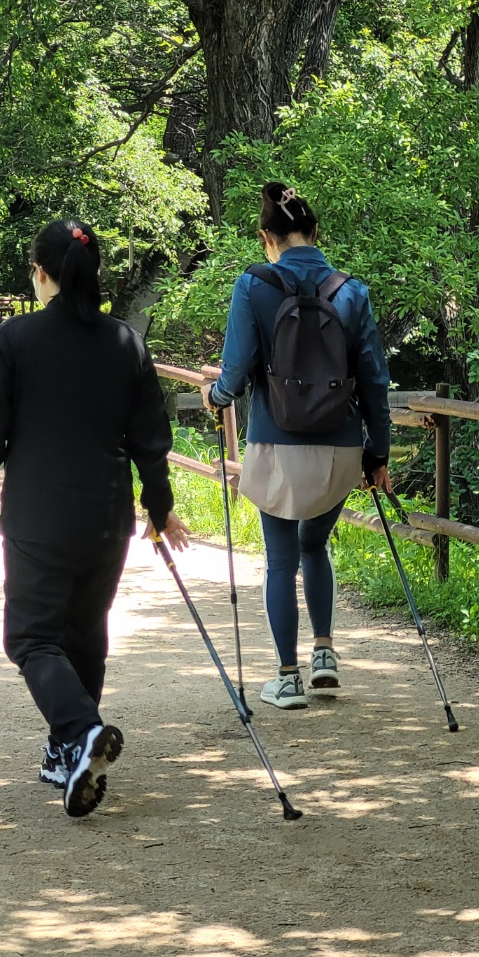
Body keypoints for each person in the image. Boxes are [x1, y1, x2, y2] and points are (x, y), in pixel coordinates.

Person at [0, 219, 190, 819]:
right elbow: (151, 439)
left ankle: (81, 732)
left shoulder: (16, 338)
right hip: (106, 517)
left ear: (41, 273)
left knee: (31, 638)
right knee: (85, 632)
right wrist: (159, 508)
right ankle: (66, 752)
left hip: (39, 517)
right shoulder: (125, 341)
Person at [203, 181, 392, 710]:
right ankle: (324, 652)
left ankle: (287, 678)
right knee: (316, 546)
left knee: (281, 558)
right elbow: (375, 380)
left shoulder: (253, 284)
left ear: (267, 238)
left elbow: (235, 370)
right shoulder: (351, 291)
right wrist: (378, 452)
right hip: (340, 450)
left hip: (276, 445)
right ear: (316, 232)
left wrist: (216, 395)